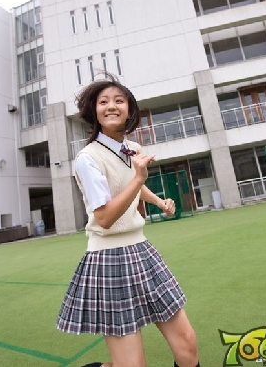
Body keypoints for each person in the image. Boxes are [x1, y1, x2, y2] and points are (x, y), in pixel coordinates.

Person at [56, 74, 200, 367]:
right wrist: (138, 178)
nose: (112, 106)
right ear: (93, 111)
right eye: (103, 101)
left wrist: (159, 201)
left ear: (129, 109)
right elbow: (106, 217)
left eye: (119, 101)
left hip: (142, 251)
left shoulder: (129, 148)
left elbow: (130, 184)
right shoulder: (88, 158)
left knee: (187, 346)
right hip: (108, 258)